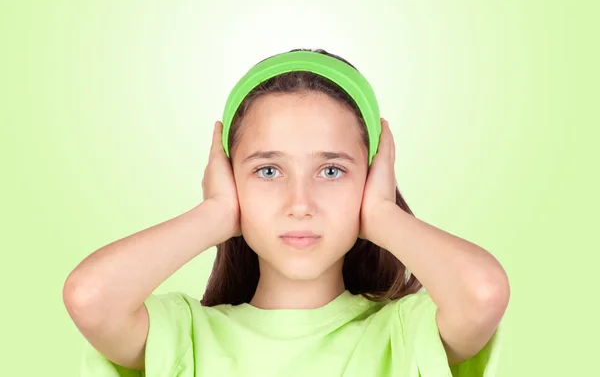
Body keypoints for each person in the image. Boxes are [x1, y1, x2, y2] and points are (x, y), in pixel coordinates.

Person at [63, 48, 509, 377]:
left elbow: (484, 293)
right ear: (229, 175)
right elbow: (89, 297)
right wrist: (217, 213)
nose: (300, 204)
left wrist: (382, 213)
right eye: (268, 170)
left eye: (331, 170)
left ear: (372, 177)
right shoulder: (186, 338)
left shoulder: (405, 334)